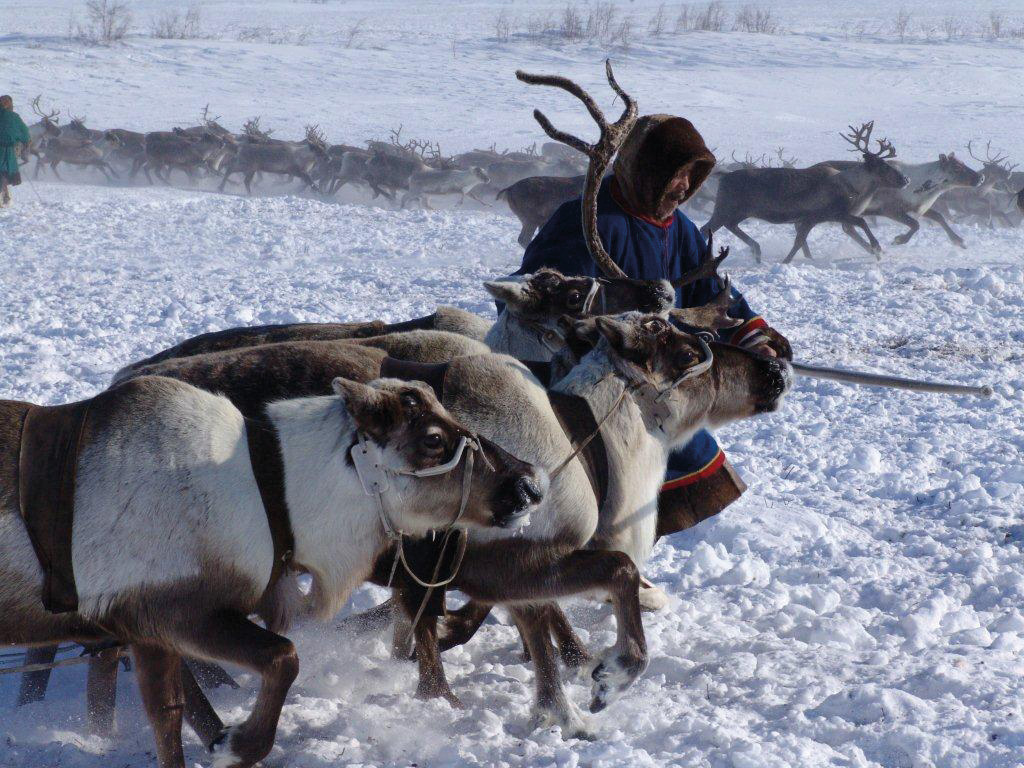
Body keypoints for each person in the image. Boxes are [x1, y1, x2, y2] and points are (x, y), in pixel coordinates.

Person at [515, 115, 792, 608]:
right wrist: (599, 317)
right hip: (580, 376)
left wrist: (754, 334)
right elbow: (538, 292)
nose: (683, 187)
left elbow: (712, 293)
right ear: (644, 169)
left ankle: (617, 563)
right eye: (674, 174)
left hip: (646, 376)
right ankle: (564, 566)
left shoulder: (678, 228)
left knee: (680, 461)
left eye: (692, 175)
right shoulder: (586, 219)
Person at [0, 95, 31, 208]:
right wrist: (25, 142)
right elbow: (25, 133)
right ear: (9, 104)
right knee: (4, 172)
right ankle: (5, 196)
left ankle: (5, 195)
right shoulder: (14, 117)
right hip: (7, 151)